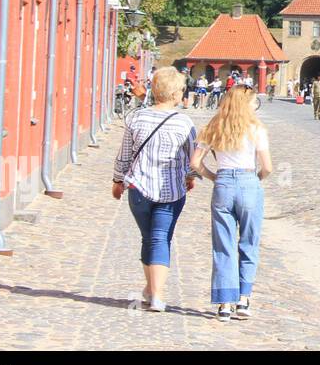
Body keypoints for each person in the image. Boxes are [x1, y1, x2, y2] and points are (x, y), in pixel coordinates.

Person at [112, 66, 197, 313]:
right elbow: (193, 158)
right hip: (171, 190)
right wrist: (190, 177)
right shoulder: (184, 123)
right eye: (181, 89)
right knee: (160, 238)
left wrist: (118, 181)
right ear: (174, 94)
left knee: (149, 237)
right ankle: (158, 295)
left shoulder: (136, 118)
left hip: (138, 188)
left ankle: (150, 289)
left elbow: (125, 155)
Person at [192, 86, 273, 322]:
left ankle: (225, 304)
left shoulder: (214, 127)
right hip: (249, 181)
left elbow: (195, 162)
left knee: (223, 245)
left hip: (224, 184)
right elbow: (267, 167)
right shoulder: (256, 129)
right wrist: (256, 180)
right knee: (249, 242)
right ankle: (244, 299)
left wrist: (215, 177)